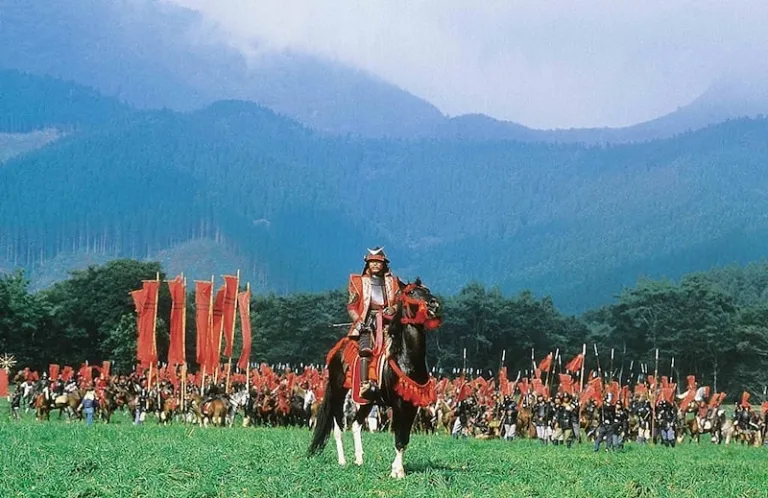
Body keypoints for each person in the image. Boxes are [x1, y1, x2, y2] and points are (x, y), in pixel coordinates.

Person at [346, 247, 401, 399]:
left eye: (378, 262)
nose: (375, 264)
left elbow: (399, 302)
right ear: (368, 264)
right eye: (372, 262)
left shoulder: (393, 282)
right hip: (368, 322)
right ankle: (365, 384)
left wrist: (393, 309)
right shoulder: (359, 282)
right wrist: (358, 321)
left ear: (384, 264)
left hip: (388, 322)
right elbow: (351, 306)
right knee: (365, 349)